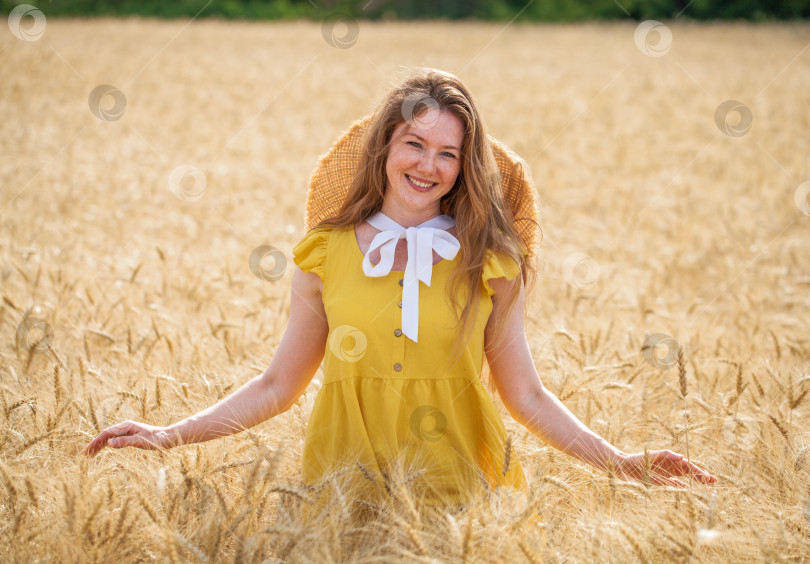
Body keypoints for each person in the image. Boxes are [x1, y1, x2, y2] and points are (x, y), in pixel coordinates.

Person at [83, 68, 715, 508]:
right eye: (414, 143)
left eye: (448, 154)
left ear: (464, 167)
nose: (427, 165)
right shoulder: (323, 253)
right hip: (339, 491)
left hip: (463, 495)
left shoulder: (491, 264)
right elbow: (279, 384)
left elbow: (526, 396)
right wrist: (169, 435)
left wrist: (623, 464)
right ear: (385, 145)